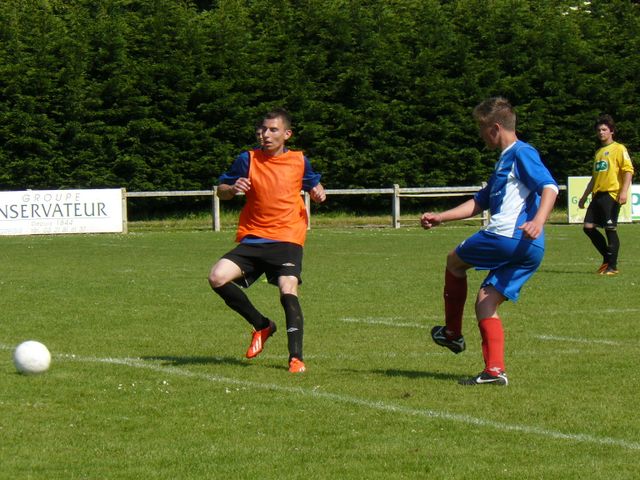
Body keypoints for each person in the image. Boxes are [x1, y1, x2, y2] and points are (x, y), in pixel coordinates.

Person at [420, 97, 558, 386]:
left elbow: (549, 186)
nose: (480, 135)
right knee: (486, 301)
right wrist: (441, 217)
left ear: (495, 128)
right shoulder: (504, 162)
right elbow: (479, 202)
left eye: (481, 129)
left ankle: (451, 333)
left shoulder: (521, 152)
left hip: (506, 236)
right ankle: (494, 371)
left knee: (453, 261)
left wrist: (538, 220)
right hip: (531, 248)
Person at [208, 108, 326, 373]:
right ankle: (262, 325)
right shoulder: (246, 159)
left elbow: (314, 185)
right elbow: (221, 191)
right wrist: (232, 188)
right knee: (217, 277)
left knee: (288, 288)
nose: (266, 134)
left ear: (287, 134)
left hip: (287, 236)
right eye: (262, 129)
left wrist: (319, 192)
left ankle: (296, 358)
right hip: (254, 237)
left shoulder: (299, 161)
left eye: (273, 130)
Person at [578, 114, 634, 276]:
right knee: (588, 227)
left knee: (610, 229)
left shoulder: (619, 148)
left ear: (611, 131)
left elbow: (628, 171)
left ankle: (612, 267)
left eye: (604, 129)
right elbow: (594, 178)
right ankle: (607, 259)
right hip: (598, 195)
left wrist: (624, 191)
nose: (601, 132)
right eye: (599, 130)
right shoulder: (598, 152)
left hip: (612, 194)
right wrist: (584, 196)